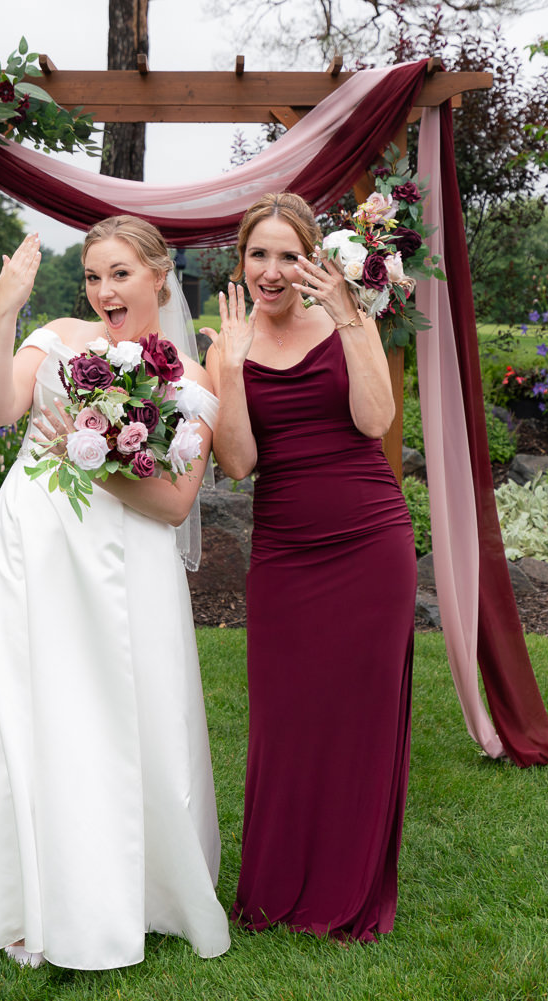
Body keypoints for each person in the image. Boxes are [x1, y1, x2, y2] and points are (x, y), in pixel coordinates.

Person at [0, 217, 231, 970]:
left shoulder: (193, 382)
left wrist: (85, 452)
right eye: (94, 276)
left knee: (125, 717)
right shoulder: (59, 337)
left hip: (128, 564)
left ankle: (134, 889)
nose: (104, 291)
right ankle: (29, 892)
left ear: (159, 276)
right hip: (33, 551)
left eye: (121, 273)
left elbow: (174, 505)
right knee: (30, 714)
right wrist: (6, 309)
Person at [204, 193, 417, 941]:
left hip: (370, 542)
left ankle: (348, 887)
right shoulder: (226, 342)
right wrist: (232, 370)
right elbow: (238, 463)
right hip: (285, 551)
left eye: (287, 256)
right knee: (285, 720)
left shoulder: (345, 318)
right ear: (241, 261)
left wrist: (352, 318)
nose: (271, 271)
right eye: (257, 255)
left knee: (361, 720)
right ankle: (276, 889)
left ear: (313, 260)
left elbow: (375, 420)